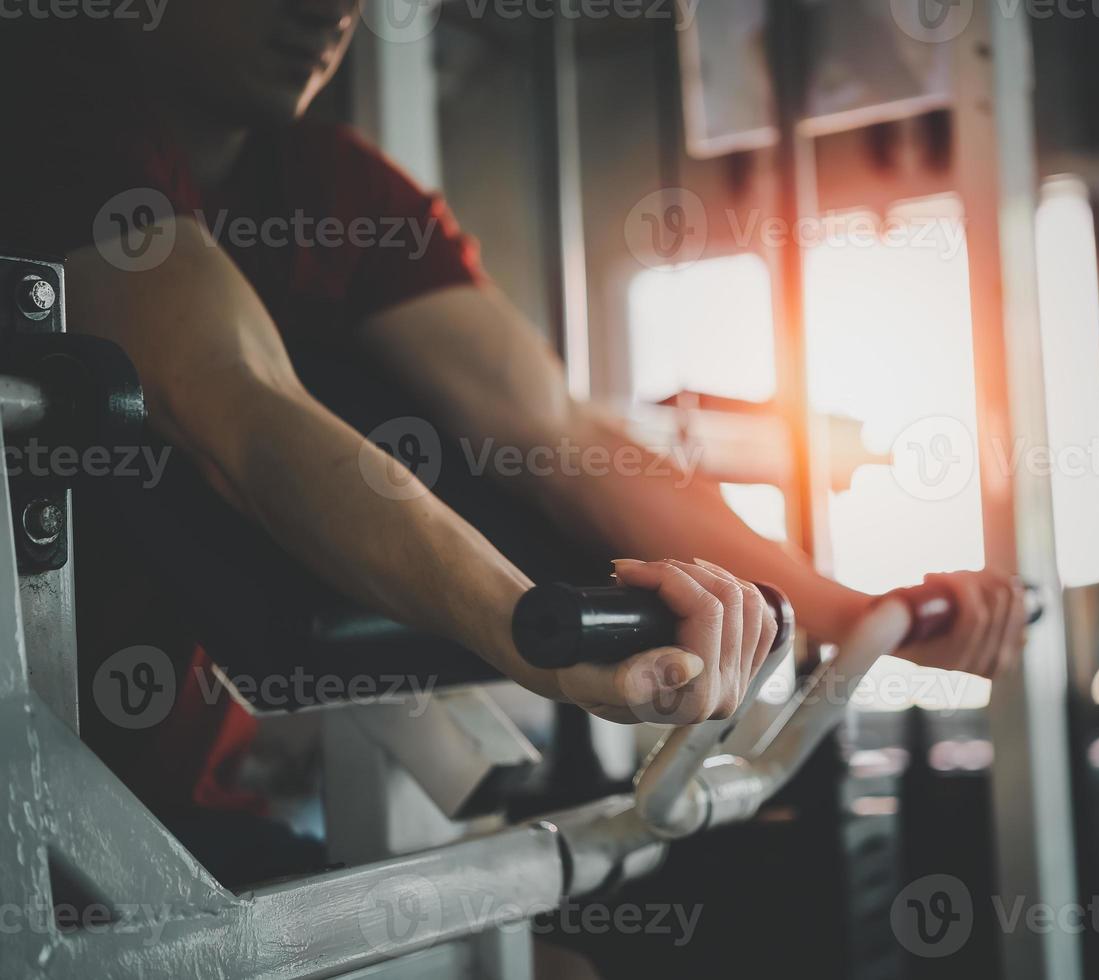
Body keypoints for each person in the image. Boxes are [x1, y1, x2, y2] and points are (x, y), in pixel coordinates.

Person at [0, 1, 1028, 839]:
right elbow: (239, 406)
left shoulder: (332, 184)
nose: (332, 11)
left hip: (153, 782)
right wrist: (523, 624)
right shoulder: (49, 108)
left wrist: (842, 614)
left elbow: (555, 434)